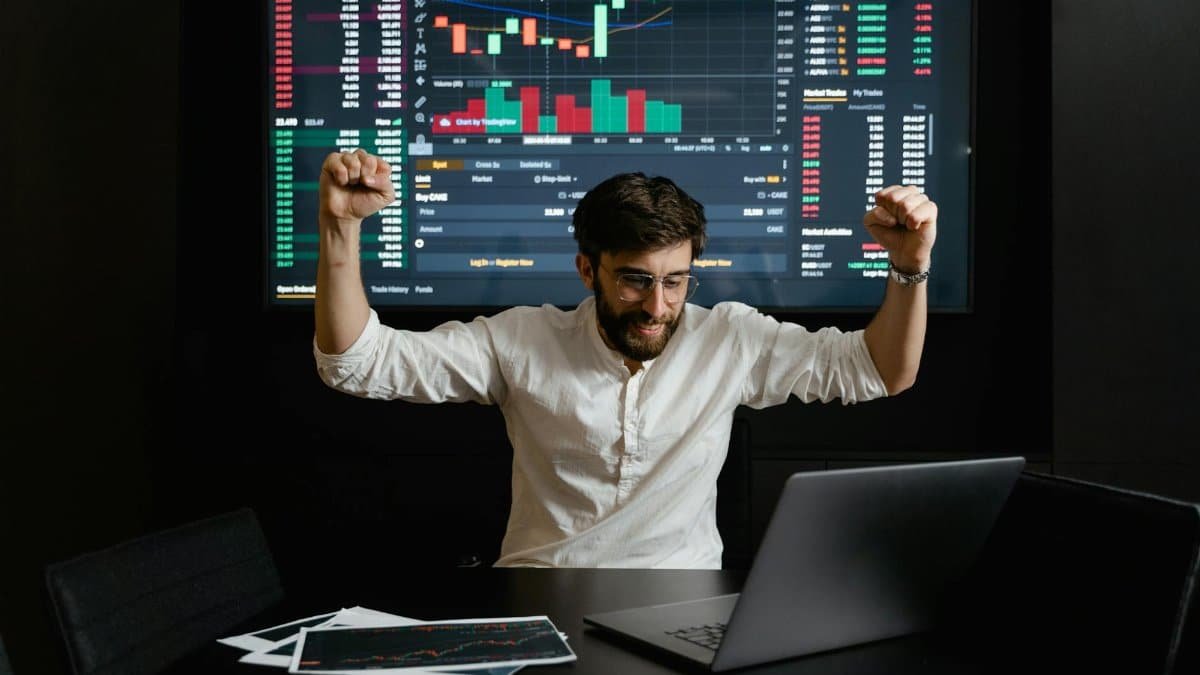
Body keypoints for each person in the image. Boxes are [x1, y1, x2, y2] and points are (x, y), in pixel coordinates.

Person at [314, 149, 937, 568]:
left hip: (684, 608)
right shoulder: (521, 339)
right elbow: (358, 362)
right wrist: (340, 229)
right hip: (539, 600)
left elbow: (880, 371)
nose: (657, 306)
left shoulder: (730, 339)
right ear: (588, 269)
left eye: (676, 281)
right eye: (635, 280)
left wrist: (908, 267)